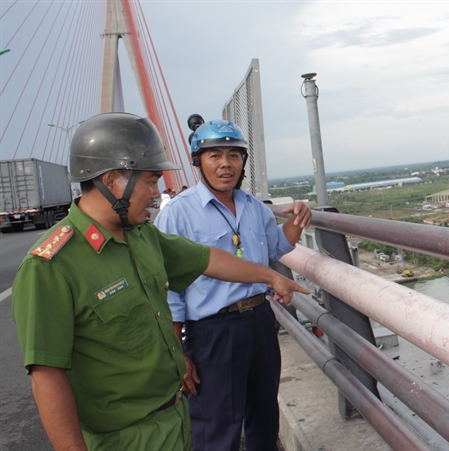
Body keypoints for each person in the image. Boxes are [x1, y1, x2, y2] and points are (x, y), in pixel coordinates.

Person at [11, 112, 308, 451]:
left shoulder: (142, 237)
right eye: (151, 182)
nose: (157, 194)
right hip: (124, 437)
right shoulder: (51, 266)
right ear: (112, 182)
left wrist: (271, 277)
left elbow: (208, 258)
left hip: (174, 421)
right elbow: (47, 376)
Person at [155, 118, 311, 451]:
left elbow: (275, 248)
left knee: (264, 420)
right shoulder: (178, 214)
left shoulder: (254, 208)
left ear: (243, 162)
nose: (226, 164)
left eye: (234, 155)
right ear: (198, 161)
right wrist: (177, 351)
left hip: (259, 323)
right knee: (216, 428)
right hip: (212, 331)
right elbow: (169, 290)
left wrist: (296, 221)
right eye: (215, 156)